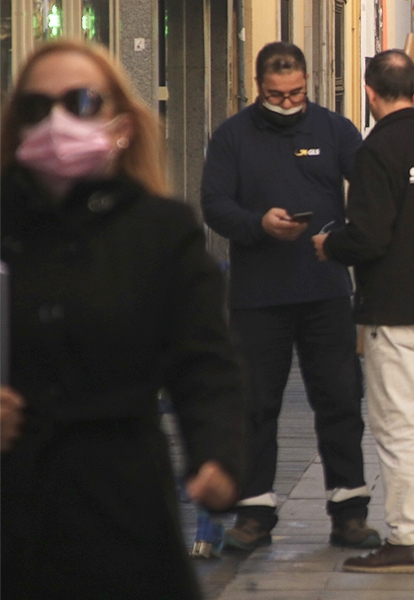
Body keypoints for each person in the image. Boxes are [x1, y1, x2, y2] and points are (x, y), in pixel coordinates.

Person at [0, 40, 245, 599]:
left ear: (121, 123)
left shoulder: (160, 232)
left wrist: (216, 455)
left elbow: (204, 361)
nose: (58, 122)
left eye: (81, 101)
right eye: (37, 108)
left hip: (120, 508)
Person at [200, 41, 378, 551]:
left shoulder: (333, 130)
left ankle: (349, 511)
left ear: (307, 84)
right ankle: (254, 513)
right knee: (255, 404)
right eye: (277, 95)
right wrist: (258, 224)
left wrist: (349, 244)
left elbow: (369, 187)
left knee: (340, 398)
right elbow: (214, 204)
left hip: (324, 290)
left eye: (296, 92)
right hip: (258, 296)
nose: (287, 101)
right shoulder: (232, 137)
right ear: (258, 87)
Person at [312, 49, 414, 574]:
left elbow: (370, 236)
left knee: (398, 425)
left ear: (370, 93)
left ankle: (406, 540)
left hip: (398, 311)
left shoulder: (378, 149)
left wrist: (330, 245)